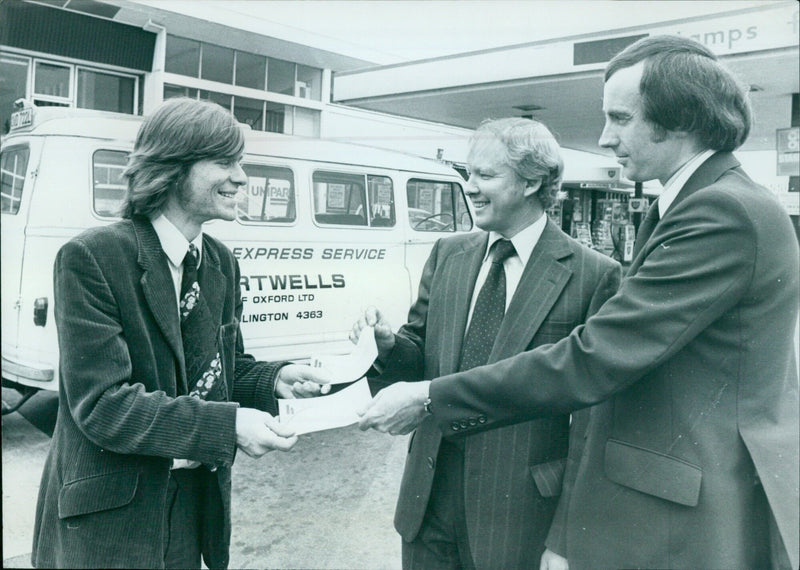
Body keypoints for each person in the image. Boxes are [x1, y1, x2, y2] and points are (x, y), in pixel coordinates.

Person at [358, 35, 800, 570]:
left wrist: (429, 396)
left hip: (690, 512)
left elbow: (596, 358)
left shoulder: (719, 212)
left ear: (680, 119)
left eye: (620, 118)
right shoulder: (700, 204)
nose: (604, 138)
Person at [31, 98, 330, 569]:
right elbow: (104, 405)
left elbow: (223, 369)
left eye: (241, 162)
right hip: (110, 525)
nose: (242, 178)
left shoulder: (221, 264)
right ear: (172, 168)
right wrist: (228, 425)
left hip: (192, 515)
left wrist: (275, 379)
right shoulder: (91, 258)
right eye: (224, 162)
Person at [350, 117, 621, 569]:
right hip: (427, 499)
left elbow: (595, 425)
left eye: (485, 176)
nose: (469, 187)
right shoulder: (448, 253)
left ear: (533, 181)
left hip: (521, 513)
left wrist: (568, 534)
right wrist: (387, 346)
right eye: (468, 172)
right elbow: (421, 355)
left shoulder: (593, 274)